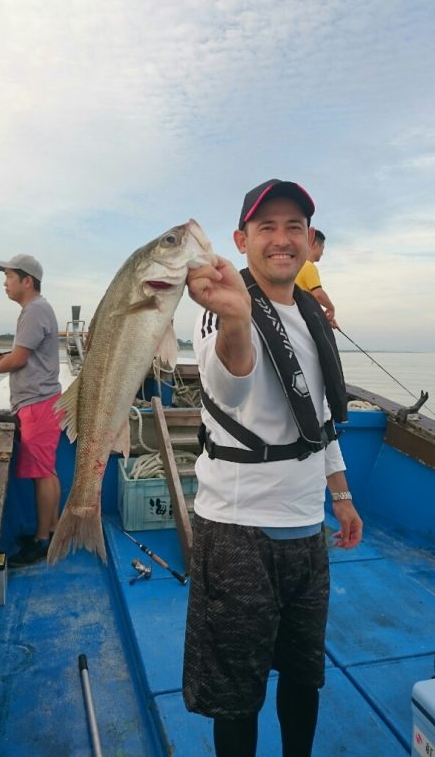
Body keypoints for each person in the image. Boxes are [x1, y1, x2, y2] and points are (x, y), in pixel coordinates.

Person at [183, 180, 363, 757]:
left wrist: (341, 495)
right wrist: (237, 321)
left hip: (307, 529)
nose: (282, 239)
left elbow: (320, 419)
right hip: (239, 531)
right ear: (242, 240)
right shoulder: (221, 308)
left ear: (309, 242)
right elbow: (229, 388)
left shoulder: (311, 315)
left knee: (304, 675)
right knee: (236, 693)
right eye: (267, 227)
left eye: (294, 227)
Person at [0, 254, 62, 567]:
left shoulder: (33, 310)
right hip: (41, 403)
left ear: (27, 281)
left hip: (38, 405)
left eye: (9, 277)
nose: (5, 283)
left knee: (42, 474)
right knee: (46, 471)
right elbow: (23, 352)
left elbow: (19, 360)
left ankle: (42, 541)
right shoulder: (37, 309)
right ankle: (51, 531)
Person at [295, 229, 337, 327]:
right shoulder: (308, 267)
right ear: (316, 244)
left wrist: (324, 319)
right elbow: (318, 295)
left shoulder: (296, 266)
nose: (322, 253)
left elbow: (309, 300)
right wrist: (331, 308)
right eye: (322, 248)